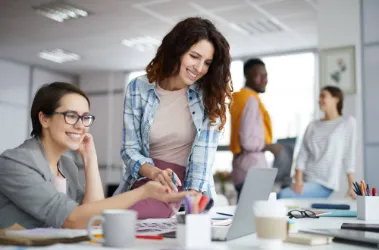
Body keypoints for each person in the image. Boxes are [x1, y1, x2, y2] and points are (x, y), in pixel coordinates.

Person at [0, 82, 187, 229]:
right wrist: (144, 192)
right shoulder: (15, 163)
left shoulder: (66, 166)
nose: (81, 125)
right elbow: (71, 219)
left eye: (85, 117)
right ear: (44, 119)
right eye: (71, 116)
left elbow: (92, 218)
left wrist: (90, 159)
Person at [114, 17, 232, 218]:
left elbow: (202, 159)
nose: (199, 68)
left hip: (188, 187)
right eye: (194, 56)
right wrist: (155, 174)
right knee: (111, 220)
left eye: (207, 63)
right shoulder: (138, 88)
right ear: (176, 50)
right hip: (147, 179)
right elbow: (129, 149)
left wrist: (191, 199)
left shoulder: (210, 98)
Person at [278, 86, 356, 199]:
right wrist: (298, 180)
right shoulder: (312, 126)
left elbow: (349, 155)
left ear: (336, 99)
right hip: (305, 180)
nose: (319, 100)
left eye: (323, 96)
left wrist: (351, 185)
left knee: (282, 195)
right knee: (276, 192)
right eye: (319, 96)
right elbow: (302, 155)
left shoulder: (347, 124)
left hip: (325, 183)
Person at [230, 58, 279, 200]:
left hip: (241, 168)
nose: (265, 80)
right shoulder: (250, 100)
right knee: (252, 220)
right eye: (259, 75)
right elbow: (248, 141)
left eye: (266, 75)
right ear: (247, 76)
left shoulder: (239, 98)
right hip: (252, 170)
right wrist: (269, 146)